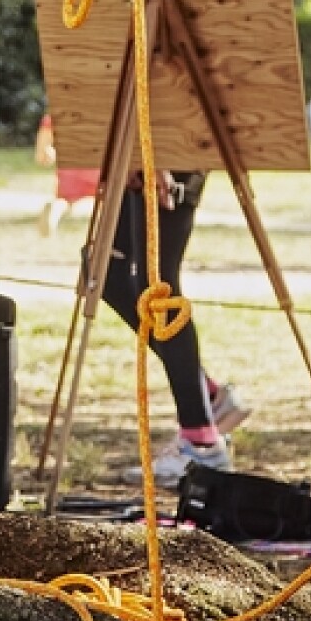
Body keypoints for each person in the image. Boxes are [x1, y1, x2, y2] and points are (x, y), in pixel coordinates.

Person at [103, 171, 250, 488]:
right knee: (105, 273)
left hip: (174, 155)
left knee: (158, 286)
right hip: (133, 154)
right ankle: (209, 394)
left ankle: (202, 442)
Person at [34, 114, 99, 236]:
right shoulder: (107, 114)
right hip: (98, 173)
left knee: (65, 201)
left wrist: (49, 153)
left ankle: (55, 208)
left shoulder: (56, 115)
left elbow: (41, 157)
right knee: (98, 203)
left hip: (69, 173)